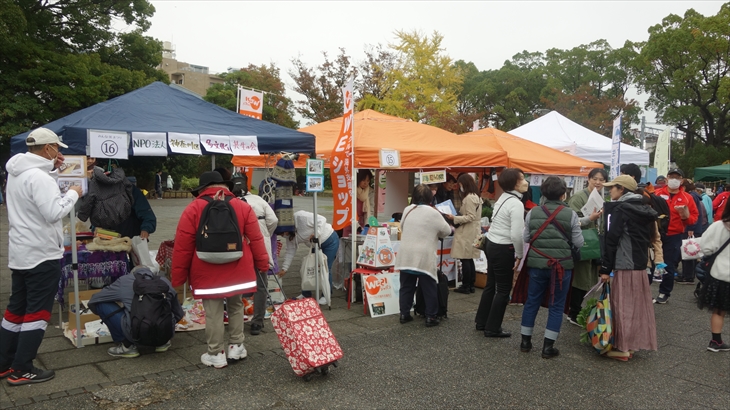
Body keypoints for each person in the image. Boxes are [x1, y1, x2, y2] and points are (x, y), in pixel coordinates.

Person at [0, 128, 83, 385]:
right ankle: (22, 368)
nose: (58, 153)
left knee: (16, 309)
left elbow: (37, 196)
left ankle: (4, 362)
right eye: (56, 148)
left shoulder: (17, 172)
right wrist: (73, 193)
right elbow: (52, 212)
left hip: (21, 252)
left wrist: (53, 170)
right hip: (42, 253)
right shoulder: (39, 177)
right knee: (37, 312)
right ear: (48, 148)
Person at [171, 171, 269, 369]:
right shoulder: (242, 206)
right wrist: (263, 264)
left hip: (206, 270)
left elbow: (182, 247)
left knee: (213, 312)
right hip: (238, 268)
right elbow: (256, 238)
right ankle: (236, 346)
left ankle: (216, 353)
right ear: (225, 186)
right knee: (236, 305)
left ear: (202, 189)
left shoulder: (193, 208)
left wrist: (178, 278)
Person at [520, 176, 583, 358]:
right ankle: (548, 347)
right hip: (561, 265)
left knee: (532, 301)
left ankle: (525, 342)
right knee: (556, 305)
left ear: (544, 193)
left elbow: (526, 238)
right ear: (563, 194)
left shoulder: (533, 212)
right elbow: (579, 242)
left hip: (537, 264)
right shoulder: (570, 214)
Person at [599, 175, 658, 361]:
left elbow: (612, 240)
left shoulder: (620, 209)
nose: (610, 191)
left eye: (612, 187)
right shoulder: (645, 209)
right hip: (640, 263)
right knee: (636, 306)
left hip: (624, 263)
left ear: (622, 189)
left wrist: (605, 269)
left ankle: (623, 348)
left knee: (622, 306)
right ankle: (631, 344)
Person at [475, 168, 526, 337]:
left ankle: (482, 321)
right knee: (503, 289)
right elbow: (517, 234)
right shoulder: (516, 203)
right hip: (504, 247)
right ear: (514, 183)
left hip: (492, 244)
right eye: (522, 179)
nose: (525, 182)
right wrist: (520, 254)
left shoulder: (503, 198)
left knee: (491, 284)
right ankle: (492, 327)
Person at [88, 266, 184, 358]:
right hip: (165, 332)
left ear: (132, 273)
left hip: (135, 332)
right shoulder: (164, 281)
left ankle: (127, 346)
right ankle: (162, 343)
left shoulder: (124, 281)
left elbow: (95, 299)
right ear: (151, 272)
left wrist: (117, 310)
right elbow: (179, 313)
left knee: (101, 304)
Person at [396, 185, 453, 327]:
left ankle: (404, 314)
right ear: (430, 197)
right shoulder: (433, 213)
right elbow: (446, 231)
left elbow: (402, 227)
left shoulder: (408, 209)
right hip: (424, 256)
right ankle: (431, 316)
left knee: (406, 286)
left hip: (406, 254)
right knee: (429, 286)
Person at [231, 174, 278, 336]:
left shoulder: (230, 202)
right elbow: (273, 220)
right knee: (261, 285)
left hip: (238, 248)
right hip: (261, 246)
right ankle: (258, 321)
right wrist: (265, 234)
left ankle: (235, 320)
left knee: (236, 284)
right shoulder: (259, 200)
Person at [566, 168, 605, 325]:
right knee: (580, 278)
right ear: (588, 179)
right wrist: (590, 218)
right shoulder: (578, 197)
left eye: (601, 180)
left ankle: (577, 310)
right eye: (595, 179)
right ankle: (573, 312)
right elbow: (572, 221)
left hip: (593, 242)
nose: (598, 182)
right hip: (582, 242)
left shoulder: (600, 197)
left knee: (588, 277)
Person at [654, 168, 699, 303]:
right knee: (650, 263)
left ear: (682, 180)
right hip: (655, 234)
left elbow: (694, 217)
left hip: (674, 235)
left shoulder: (687, 198)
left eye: (677, 177)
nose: (674, 179)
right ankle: (644, 292)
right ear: (666, 178)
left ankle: (664, 292)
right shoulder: (657, 194)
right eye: (671, 176)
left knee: (669, 264)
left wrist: (685, 217)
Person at [278, 210, 340, 304]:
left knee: (325, 267)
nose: (284, 235)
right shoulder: (289, 235)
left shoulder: (300, 217)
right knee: (309, 268)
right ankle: (306, 294)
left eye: (284, 232)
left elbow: (322, 219)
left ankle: (326, 295)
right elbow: (290, 251)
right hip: (315, 245)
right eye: (281, 234)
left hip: (329, 240)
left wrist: (316, 233)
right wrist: (284, 268)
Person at [698, 202, 730, 352]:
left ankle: (715, 341)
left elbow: (705, 247)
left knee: (719, 310)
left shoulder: (718, 226)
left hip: (719, 273)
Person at [446, 174, 483, 294]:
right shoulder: (476, 196)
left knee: (465, 258)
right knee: (469, 258)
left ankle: (466, 285)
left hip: (467, 231)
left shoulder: (469, 198)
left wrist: (454, 218)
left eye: (460, 184)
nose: (459, 186)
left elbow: (470, 216)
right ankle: (470, 284)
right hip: (473, 230)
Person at [677, 180, 706, 285]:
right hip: (696, 228)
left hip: (690, 228)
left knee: (687, 252)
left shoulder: (690, 197)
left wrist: (690, 227)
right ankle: (688, 275)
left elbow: (692, 214)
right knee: (691, 252)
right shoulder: (695, 196)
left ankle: (688, 276)